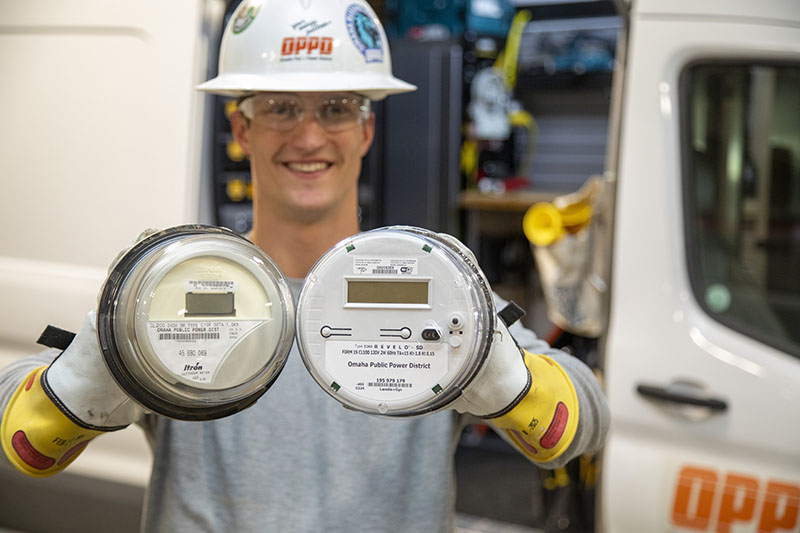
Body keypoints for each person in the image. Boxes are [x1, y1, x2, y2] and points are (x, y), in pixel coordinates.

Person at [0, 1, 609, 531]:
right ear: (241, 127)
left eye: (338, 108)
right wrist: (82, 380)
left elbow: (586, 418)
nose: (310, 136)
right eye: (282, 108)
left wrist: (508, 384)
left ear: (367, 129)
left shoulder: (438, 292)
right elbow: (23, 437)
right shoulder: (177, 281)